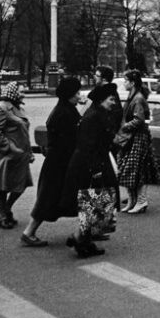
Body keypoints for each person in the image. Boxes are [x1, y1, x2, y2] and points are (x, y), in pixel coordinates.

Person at [21, 77, 82, 247]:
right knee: (50, 197)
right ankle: (29, 232)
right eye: (77, 92)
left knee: (50, 197)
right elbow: (71, 139)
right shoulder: (66, 113)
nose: (79, 95)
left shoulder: (63, 109)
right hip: (61, 163)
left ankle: (30, 231)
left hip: (57, 162)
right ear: (70, 94)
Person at [61, 83, 119, 258]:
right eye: (111, 99)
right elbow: (88, 146)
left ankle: (83, 239)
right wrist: (95, 170)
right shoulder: (93, 116)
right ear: (102, 100)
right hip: (88, 165)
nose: (114, 102)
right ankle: (81, 240)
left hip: (95, 163)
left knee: (96, 202)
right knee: (92, 202)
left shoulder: (99, 114)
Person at [0, 82, 34, 230]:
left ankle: (5, 209)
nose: (24, 94)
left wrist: (29, 152)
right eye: (21, 92)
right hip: (5, 154)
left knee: (21, 184)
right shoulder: (0, 108)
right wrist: (9, 147)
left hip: (20, 154)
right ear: (12, 92)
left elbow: (24, 133)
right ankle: (3, 216)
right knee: (2, 186)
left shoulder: (17, 107)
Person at [116, 69, 159, 214]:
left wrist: (123, 127)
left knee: (136, 170)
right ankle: (133, 200)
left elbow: (138, 120)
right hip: (133, 137)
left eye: (126, 80)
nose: (124, 83)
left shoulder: (137, 98)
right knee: (129, 169)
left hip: (137, 138)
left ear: (132, 82)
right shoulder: (134, 96)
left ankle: (140, 201)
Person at [94, 65, 123, 130]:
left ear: (104, 79)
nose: (94, 77)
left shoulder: (110, 94)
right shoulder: (101, 90)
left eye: (97, 76)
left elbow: (115, 115)